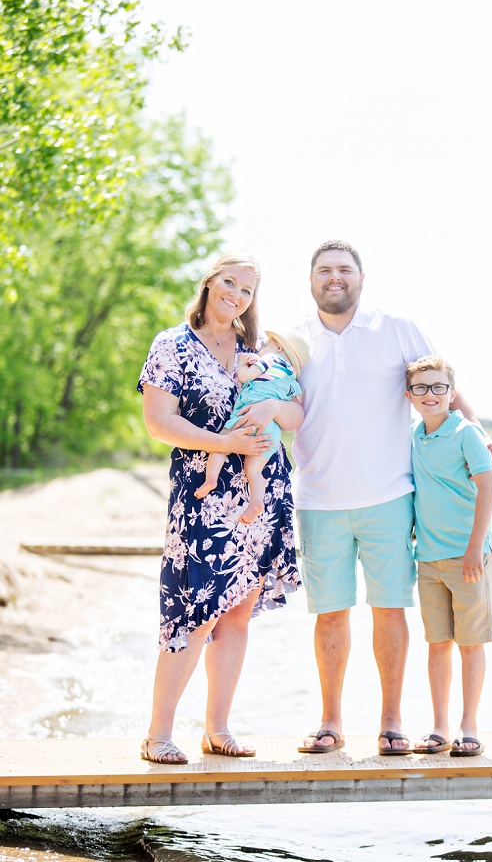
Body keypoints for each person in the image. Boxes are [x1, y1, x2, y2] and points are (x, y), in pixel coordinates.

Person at [234, 239, 492, 756]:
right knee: (330, 614)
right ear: (311, 281)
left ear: (361, 278)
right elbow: (266, 396)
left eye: (345, 270)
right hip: (317, 499)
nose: (336, 278)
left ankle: (392, 722)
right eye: (325, 270)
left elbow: (442, 383)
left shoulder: (397, 327)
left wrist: (478, 427)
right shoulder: (288, 341)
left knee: (389, 610)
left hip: (390, 497)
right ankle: (330, 723)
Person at [137, 252, 302, 764]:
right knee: (196, 614)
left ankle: (217, 729)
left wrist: (276, 408)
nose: (237, 295)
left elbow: (298, 412)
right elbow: (159, 423)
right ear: (209, 283)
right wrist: (225, 443)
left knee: (237, 615)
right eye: (229, 283)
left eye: (247, 290)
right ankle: (158, 734)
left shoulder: (259, 348)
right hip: (204, 497)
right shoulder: (173, 345)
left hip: (263, 493)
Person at [405, 355, 492, 757]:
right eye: (421, 388)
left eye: (438, 387)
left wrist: (475, 548)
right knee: (437, 643)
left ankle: (469, 726)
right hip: (428, 558)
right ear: (410, 395)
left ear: (452, 393)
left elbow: (489, 488)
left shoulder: (466, 433)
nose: (430, 394)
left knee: (470, 643)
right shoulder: (412, 434)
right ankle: (439, 727)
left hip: (469, 557)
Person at [195, 329, 310, 524]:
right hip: (270, 429)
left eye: (266, 345)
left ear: (278, 347)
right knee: (254, 471)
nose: (263, 349)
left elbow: (245, 376)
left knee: (221, 443)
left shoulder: (269, 360)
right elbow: (294, 406)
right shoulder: (290, 377)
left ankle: (211, 479)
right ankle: (256, 502)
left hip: (246, 416)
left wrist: (243, 364)